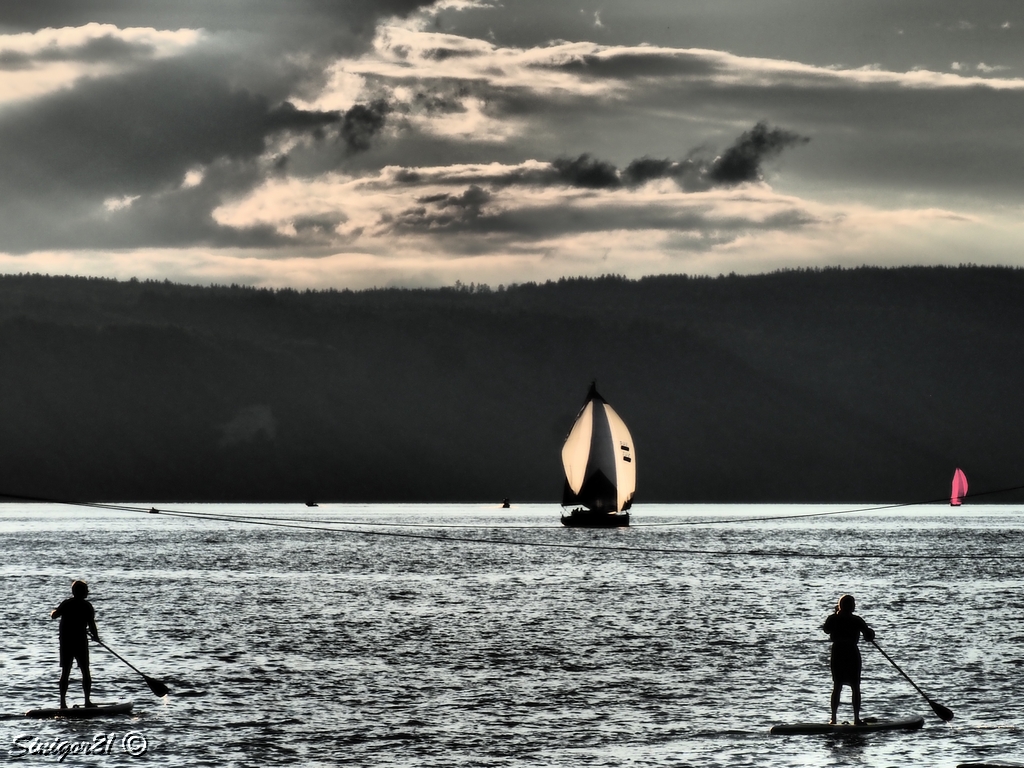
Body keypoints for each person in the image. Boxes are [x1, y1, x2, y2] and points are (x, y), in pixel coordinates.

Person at [823, 594, 875, 725]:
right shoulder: (855, 620)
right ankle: (854, 719)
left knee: (839, 686)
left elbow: (826, 629)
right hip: (849, 652)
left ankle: (834, 718)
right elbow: (869, 635)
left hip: (840, 652)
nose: (854, 606)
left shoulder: (834, 618)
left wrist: (836, 614)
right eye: (853, 604)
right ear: (850, 606)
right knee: (852, 686)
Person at [50, 580, 99, 709]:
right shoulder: (87, 606)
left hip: (67, 642)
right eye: (86, 590)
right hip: (79, 642)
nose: (88, 592)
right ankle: (87, 702)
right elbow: (92, 625)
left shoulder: (67, 604)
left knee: (66, 671)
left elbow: (54, 616)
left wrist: (57, 611)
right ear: (80, 592)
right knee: (85, 671)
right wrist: (96, 636)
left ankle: (63, 703)